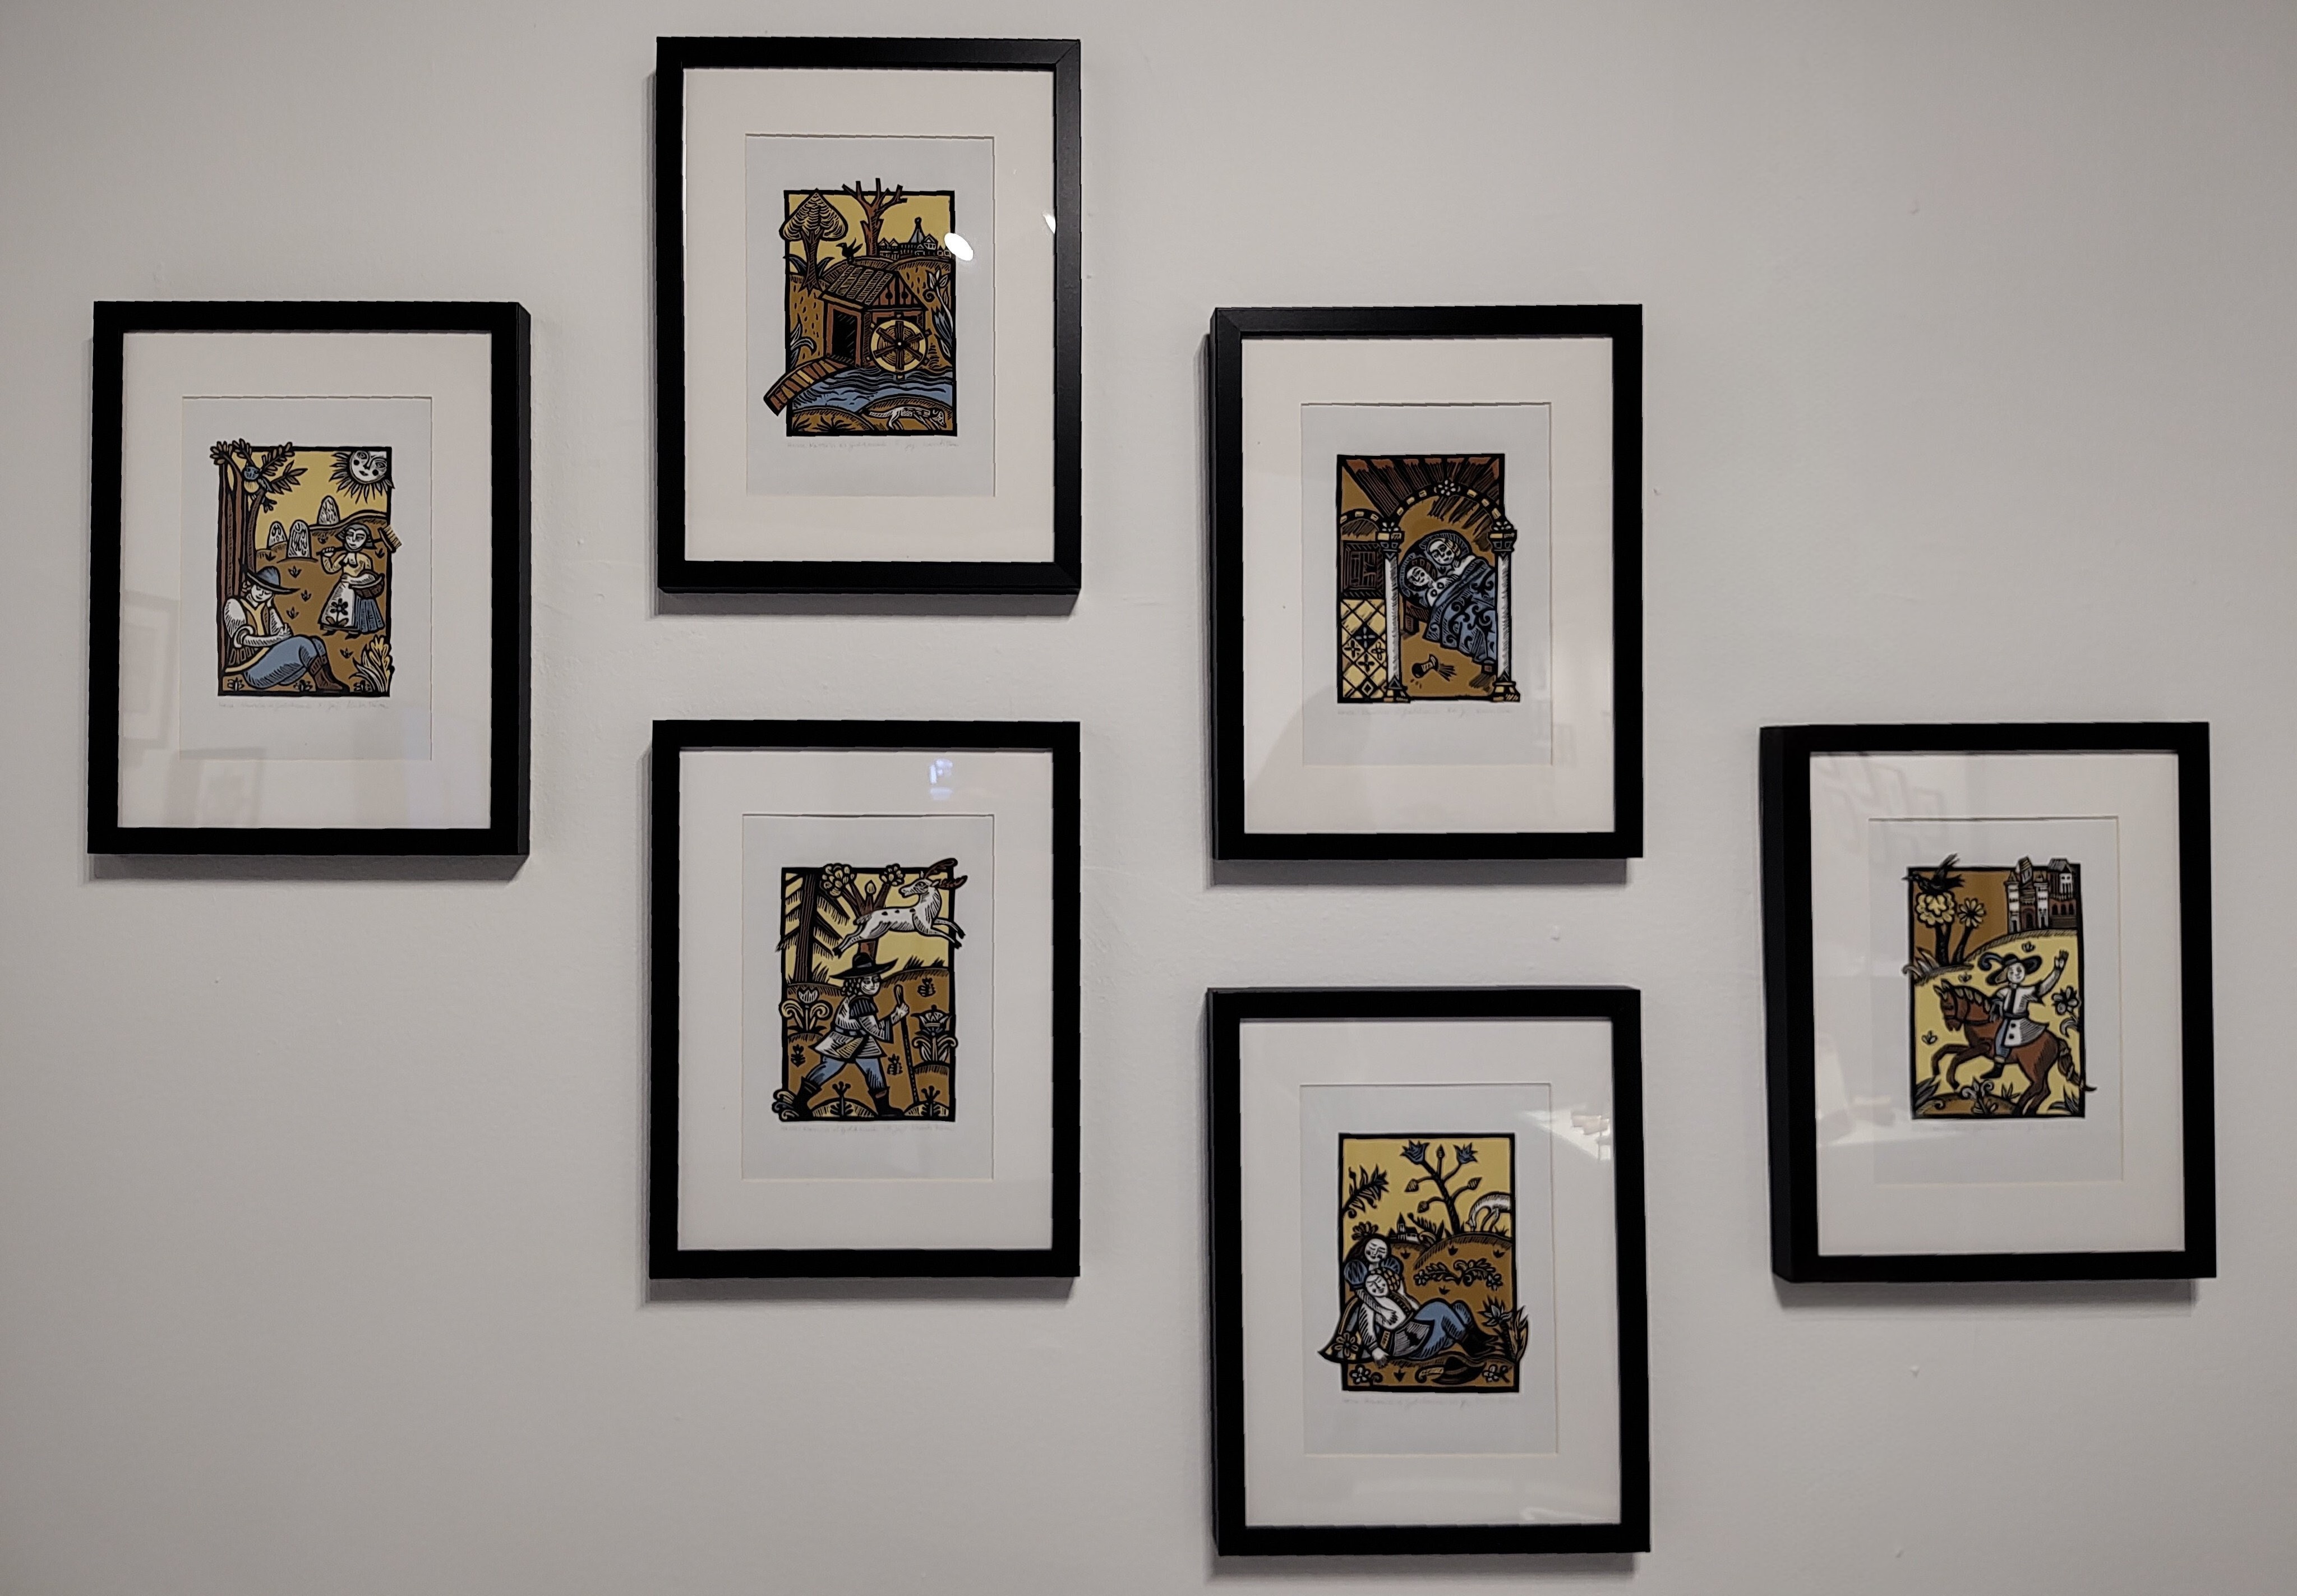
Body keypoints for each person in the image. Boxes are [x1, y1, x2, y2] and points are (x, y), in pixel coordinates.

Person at [1319, 1233, 1487, 1368]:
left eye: (1382, 1283)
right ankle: (1473, 1347)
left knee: (1459, 1307)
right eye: (1372, 1285)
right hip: (1407, 1344)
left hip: (1424, 1337)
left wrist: (1403, 1294)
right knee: (1439, 1308)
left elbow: (1415, 1308)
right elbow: (1366, 1328)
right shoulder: (1368, 1304)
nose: (1378, 1286)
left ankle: (1481, 1340)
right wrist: (1375, 1349)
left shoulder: (1394, 1294)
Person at [794, 951, 908, 1119]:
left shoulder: (861, 999)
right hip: (843, 1042)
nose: (873, 985)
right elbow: (875, 1030)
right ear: (856, 982)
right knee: (828, 1069)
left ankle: (883, 1109)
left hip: (862, 1041)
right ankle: (799, 1102)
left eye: (876, 980)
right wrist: (896, 1016)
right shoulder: (860, 1002)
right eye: (867, 981)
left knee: (874, 1071)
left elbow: (869, 1029)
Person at [1397, 530, 1500, 688]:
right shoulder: (1432, 593)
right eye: (1414, 579)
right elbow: (1445, 599)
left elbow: (1471, 577)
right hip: (1456, 602)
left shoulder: (1463, 566)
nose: (1441, 555)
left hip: (1479, 579)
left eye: (1442, 549)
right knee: (1481, 618)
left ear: (1453, 547)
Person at [219, 567, 345, 693]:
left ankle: (328, 680)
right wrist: (276, 639)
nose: (261, 594)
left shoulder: (266, 609)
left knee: (317, 643)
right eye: (259, 588)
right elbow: (245, 640)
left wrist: (271, 607)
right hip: (253, 670)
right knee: (303, 644)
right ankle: (323, 684)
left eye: (267, 592)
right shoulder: (235, 605)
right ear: (251, 585)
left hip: (275, 668)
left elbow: (283, 636)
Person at [1980, 949, 2068, 1062]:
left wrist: (2057, 971)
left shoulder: (2026, 992)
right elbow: (1994, 1000)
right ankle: (1999, 1066)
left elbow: (2044, 988)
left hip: (2021, 1023)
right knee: (1999, 1040)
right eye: (2011, 972)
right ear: (2006, 976)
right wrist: (1997, 1007)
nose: (2016, 974)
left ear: (2025, 971)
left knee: (2004, 1039)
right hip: (2006, 1020)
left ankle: (2002, 1063)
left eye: (2019, 970)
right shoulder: (2004, 992)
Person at [319, 524, 386, 635]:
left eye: (359, 538)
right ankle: (332, 626)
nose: (353, 540)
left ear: (365, 541)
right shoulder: (343, 557)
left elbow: (369, 576)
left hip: (357, 589)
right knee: (336, 607)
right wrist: (326, 557)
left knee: (353, 610)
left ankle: (353, 630)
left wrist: (353, 580)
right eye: (350, 535)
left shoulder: (365, 559)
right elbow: (331, 569)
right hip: (342, 588)